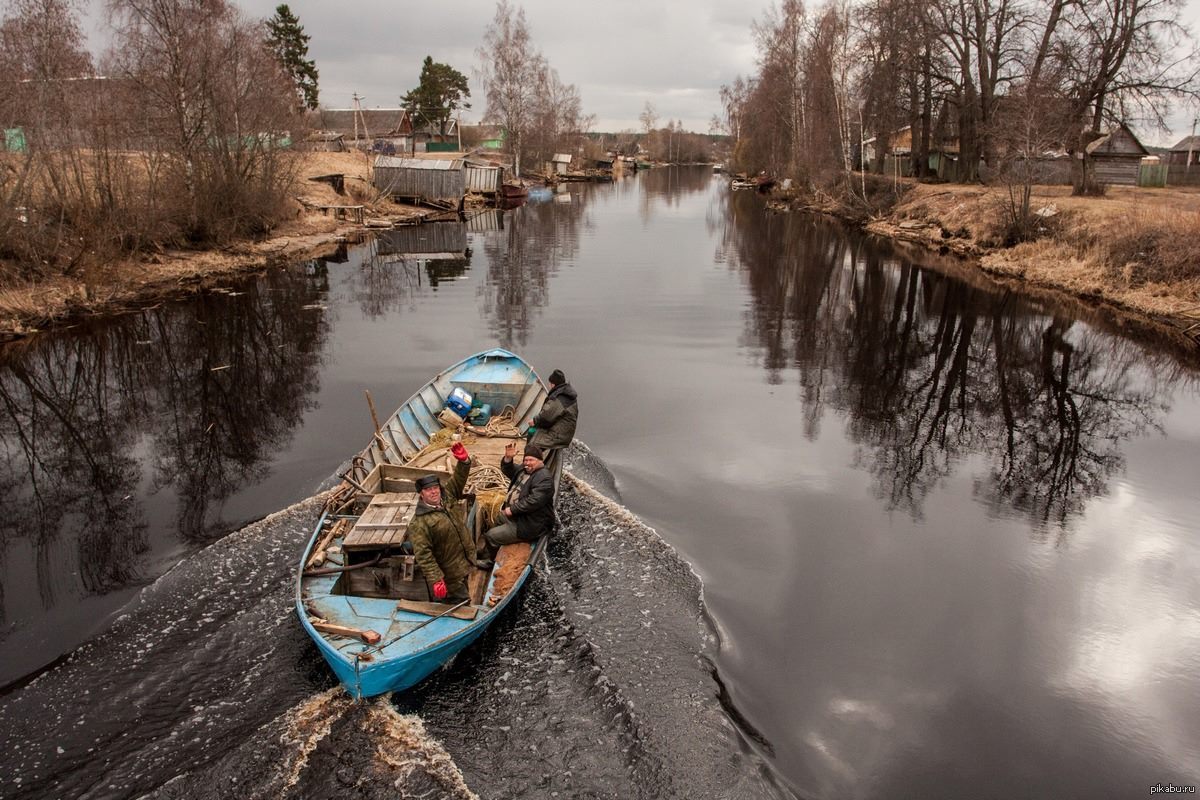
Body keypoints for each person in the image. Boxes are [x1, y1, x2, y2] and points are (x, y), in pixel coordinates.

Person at [407, 441, 474, 604]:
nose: (434, 491)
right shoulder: (419, 523)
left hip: (465, 561)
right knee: (461, 602)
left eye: (436, 487)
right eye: (429, 490)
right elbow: (424, 555)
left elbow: (459, 479)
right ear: (421, 494)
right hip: (449, 573)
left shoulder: (448, 497)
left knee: (465, 585)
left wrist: (464, 462)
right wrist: (437, 579)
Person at [478, 442, 555, 566]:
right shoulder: (524, 470)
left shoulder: (544, 479)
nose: (527, 463)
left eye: (531, 460)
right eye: (526, 460)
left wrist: (511, 510)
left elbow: (533, 501)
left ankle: (490, 561)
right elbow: (508, 470)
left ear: (540, 461)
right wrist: (508, 459)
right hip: (518, 517)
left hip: (530, 524)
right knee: (496, 518)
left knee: (491, 536)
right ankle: (488, 550)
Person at [527, 369, 579, 452]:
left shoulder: (559, 398)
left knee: (532, 445)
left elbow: (546, 417)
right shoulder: (566, 393)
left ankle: (528, 462)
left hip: (559, 436)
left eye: (550, 383)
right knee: (535, 432)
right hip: (564, 432)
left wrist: (534, 420)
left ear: (553, 384)